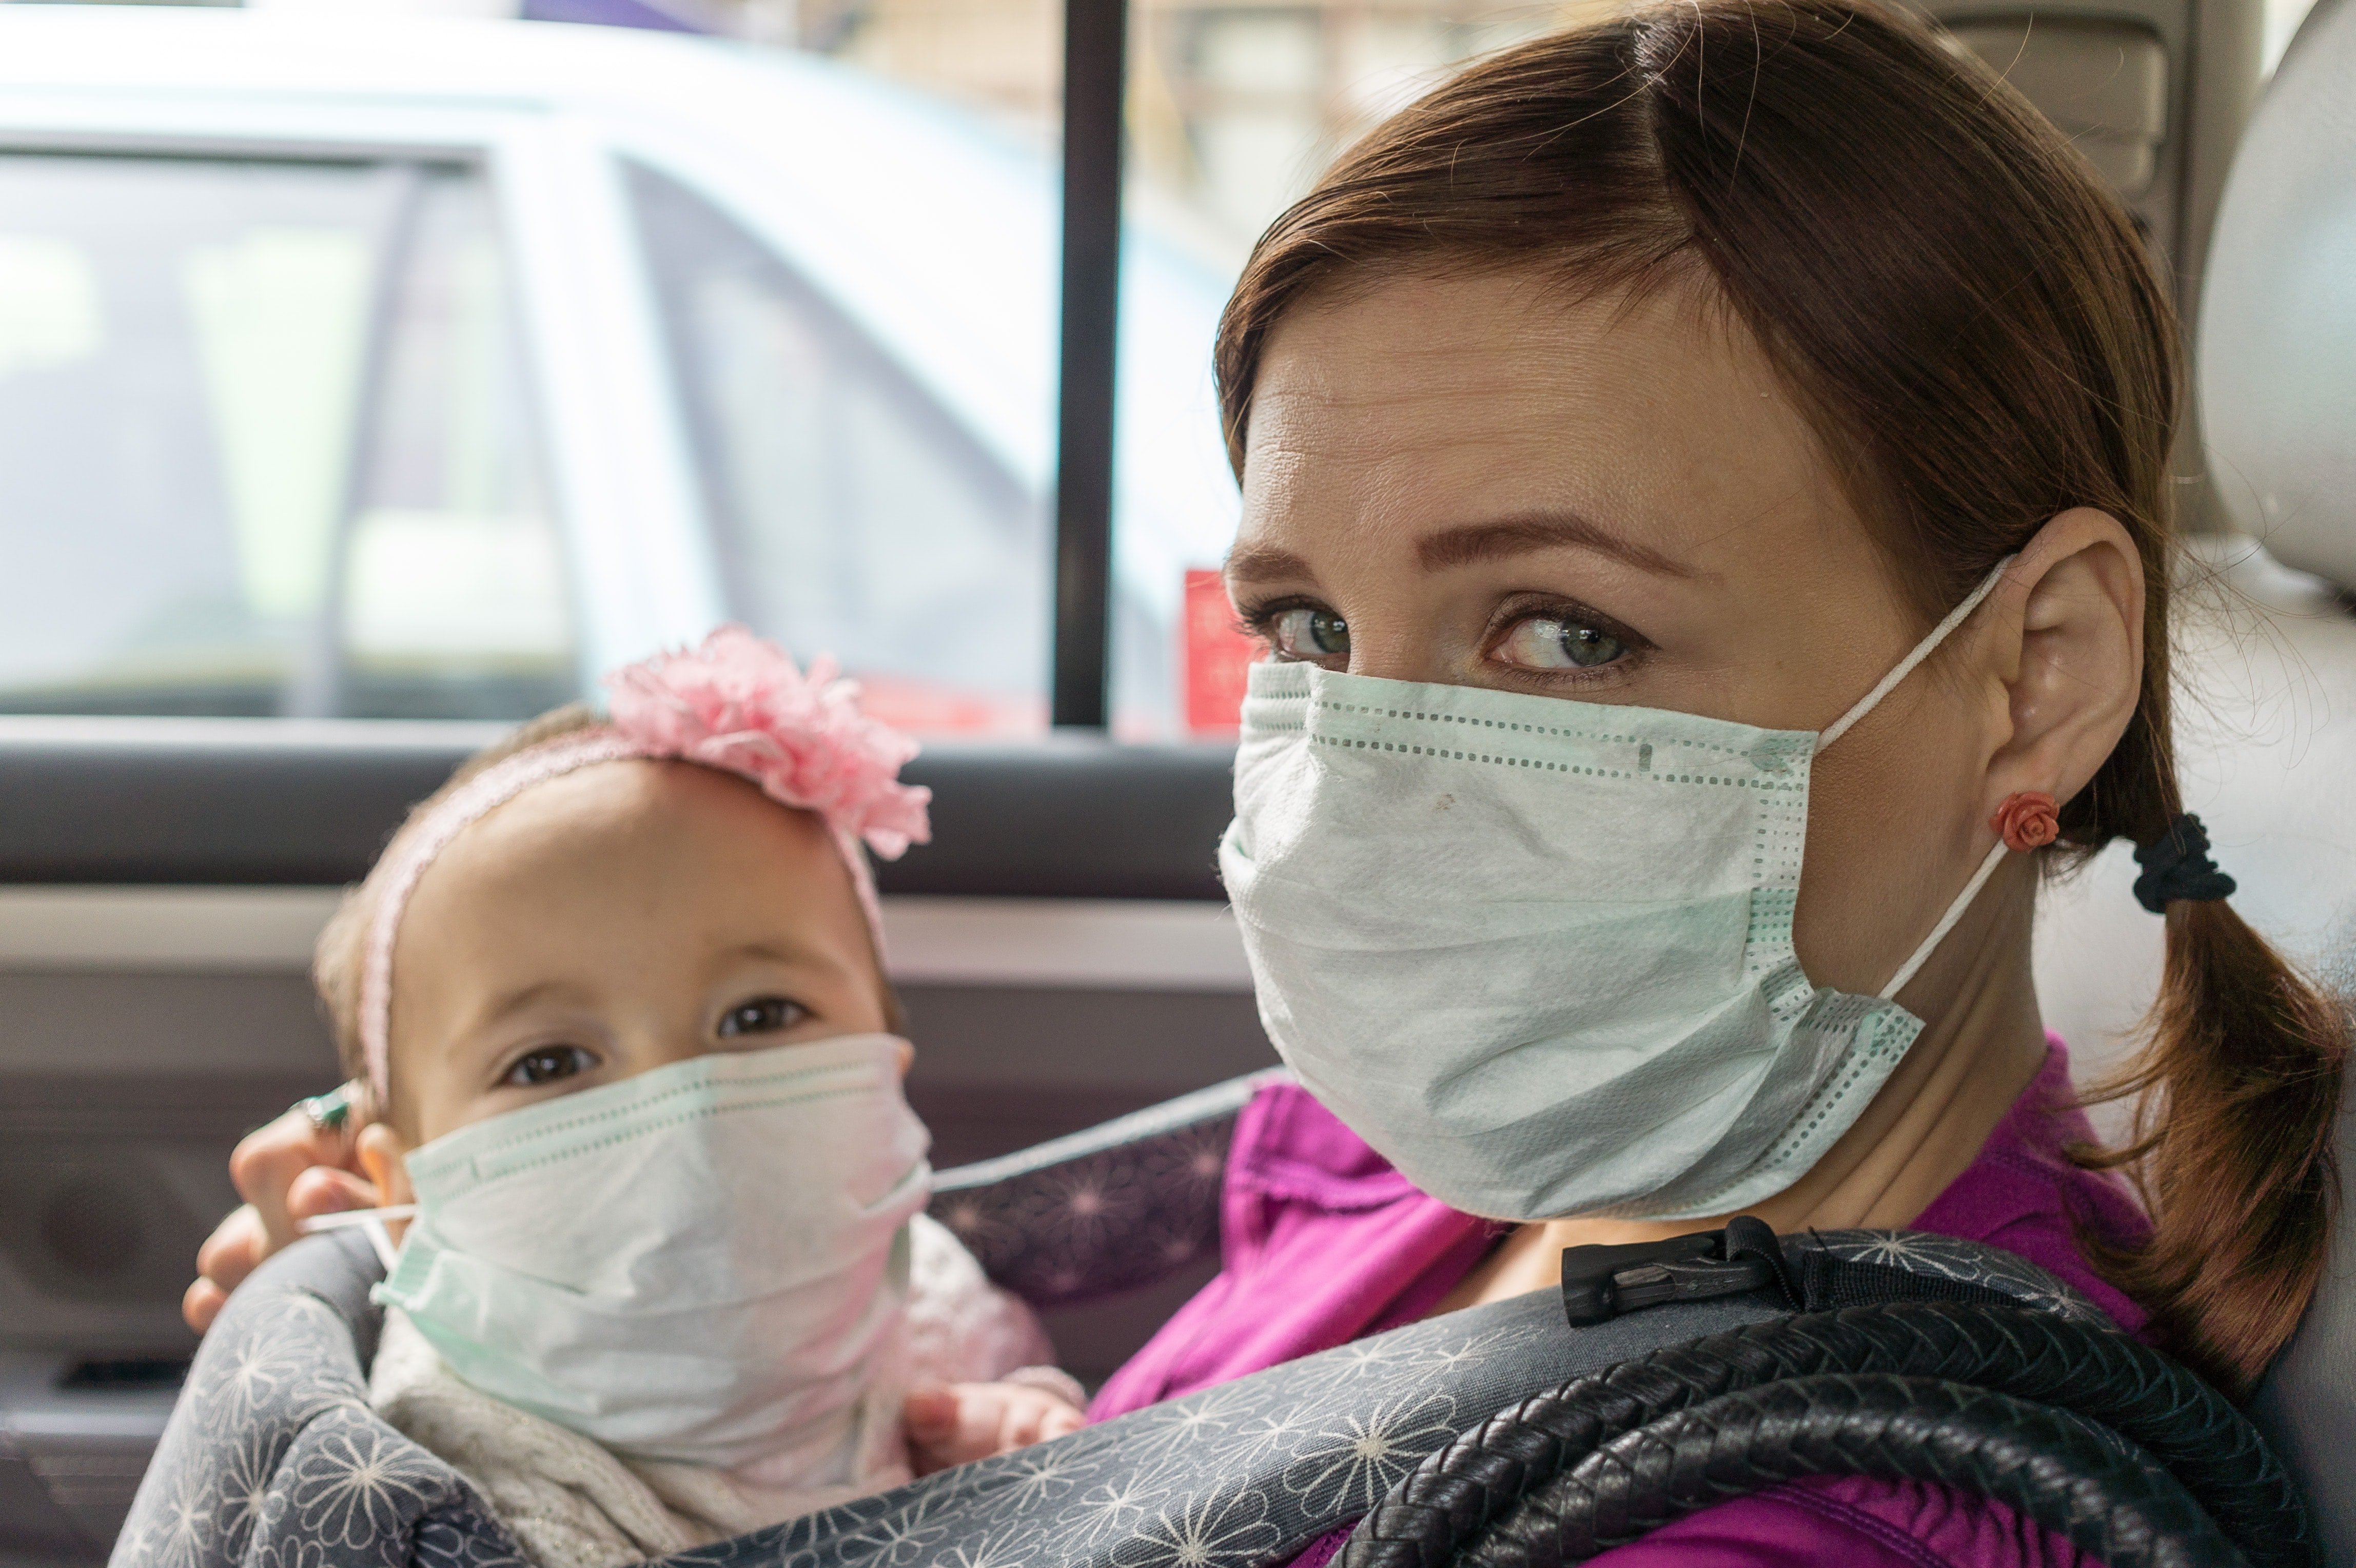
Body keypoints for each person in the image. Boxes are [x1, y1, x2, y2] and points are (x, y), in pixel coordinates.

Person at [192, 0, 2348, 1561]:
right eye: (1307, 628)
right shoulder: (1481, 1133)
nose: (1370, 767)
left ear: (2027, 676)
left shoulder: (1806, 1502)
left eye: (1559, 630)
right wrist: (550, 1325)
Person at [263, 627, 1085, 1568]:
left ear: (887, 1062)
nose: (686, 1111)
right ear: (402, 1186)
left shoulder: (915, 1286)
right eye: (548, 1064)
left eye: (761, 1015)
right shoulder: (443, 1480)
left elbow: (1005, 1372)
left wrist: (1019, 1423)